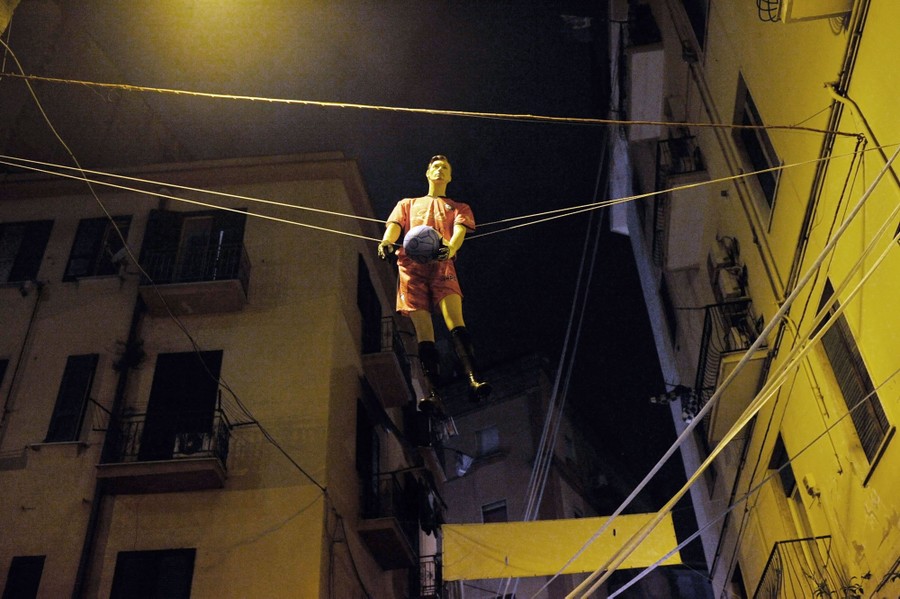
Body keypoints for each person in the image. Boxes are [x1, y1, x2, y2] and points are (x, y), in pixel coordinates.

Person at [378, 155, 491, 411]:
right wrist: (386, 241)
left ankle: (474, 378)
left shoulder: (459, 207)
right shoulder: (407, 203)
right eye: (436, 167)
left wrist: (450, 249)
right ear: (427, 173)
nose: (439, 170)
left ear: (449, 177)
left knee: (455, 321)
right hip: (410, 266)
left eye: (445, 168)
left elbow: (459, 233)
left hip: (442, 263)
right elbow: (394, 226)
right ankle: (432, 393)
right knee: (424, 332)